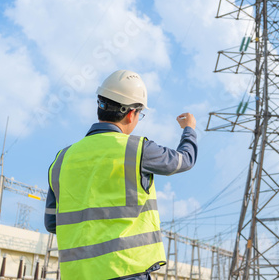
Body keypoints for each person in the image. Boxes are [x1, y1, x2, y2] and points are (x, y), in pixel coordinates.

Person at [44, 70, 198, 280]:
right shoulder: (137, 149)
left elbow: (52, 223)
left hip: (77, 274)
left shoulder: (62, 158)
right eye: (140, 115)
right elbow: (184, 160)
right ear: (130, 113)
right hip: (126, 270)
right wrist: (189, 129)